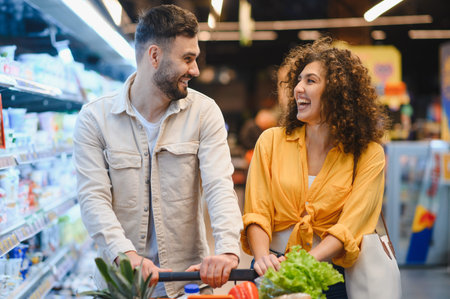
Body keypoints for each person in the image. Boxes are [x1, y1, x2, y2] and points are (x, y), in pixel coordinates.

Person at [73, 4, 242, 298]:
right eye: (187, 59)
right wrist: (125, 254)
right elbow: (93, 198)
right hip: (122, 286)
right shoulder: (95, 119)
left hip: (188, 283)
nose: (195, 70)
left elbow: (219, 187)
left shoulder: (204, 113)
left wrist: (227, 250)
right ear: (154, 56)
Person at [241, 37, 389, 298]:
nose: (298, 88)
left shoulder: (368, 155)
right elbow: (257, 211)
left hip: (331, 278)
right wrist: (263, 258)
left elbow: (351, 226)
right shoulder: (271, 142)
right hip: (270, 272)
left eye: (310, 81)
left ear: (338, 91)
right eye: (298, 80)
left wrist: (304, 264)